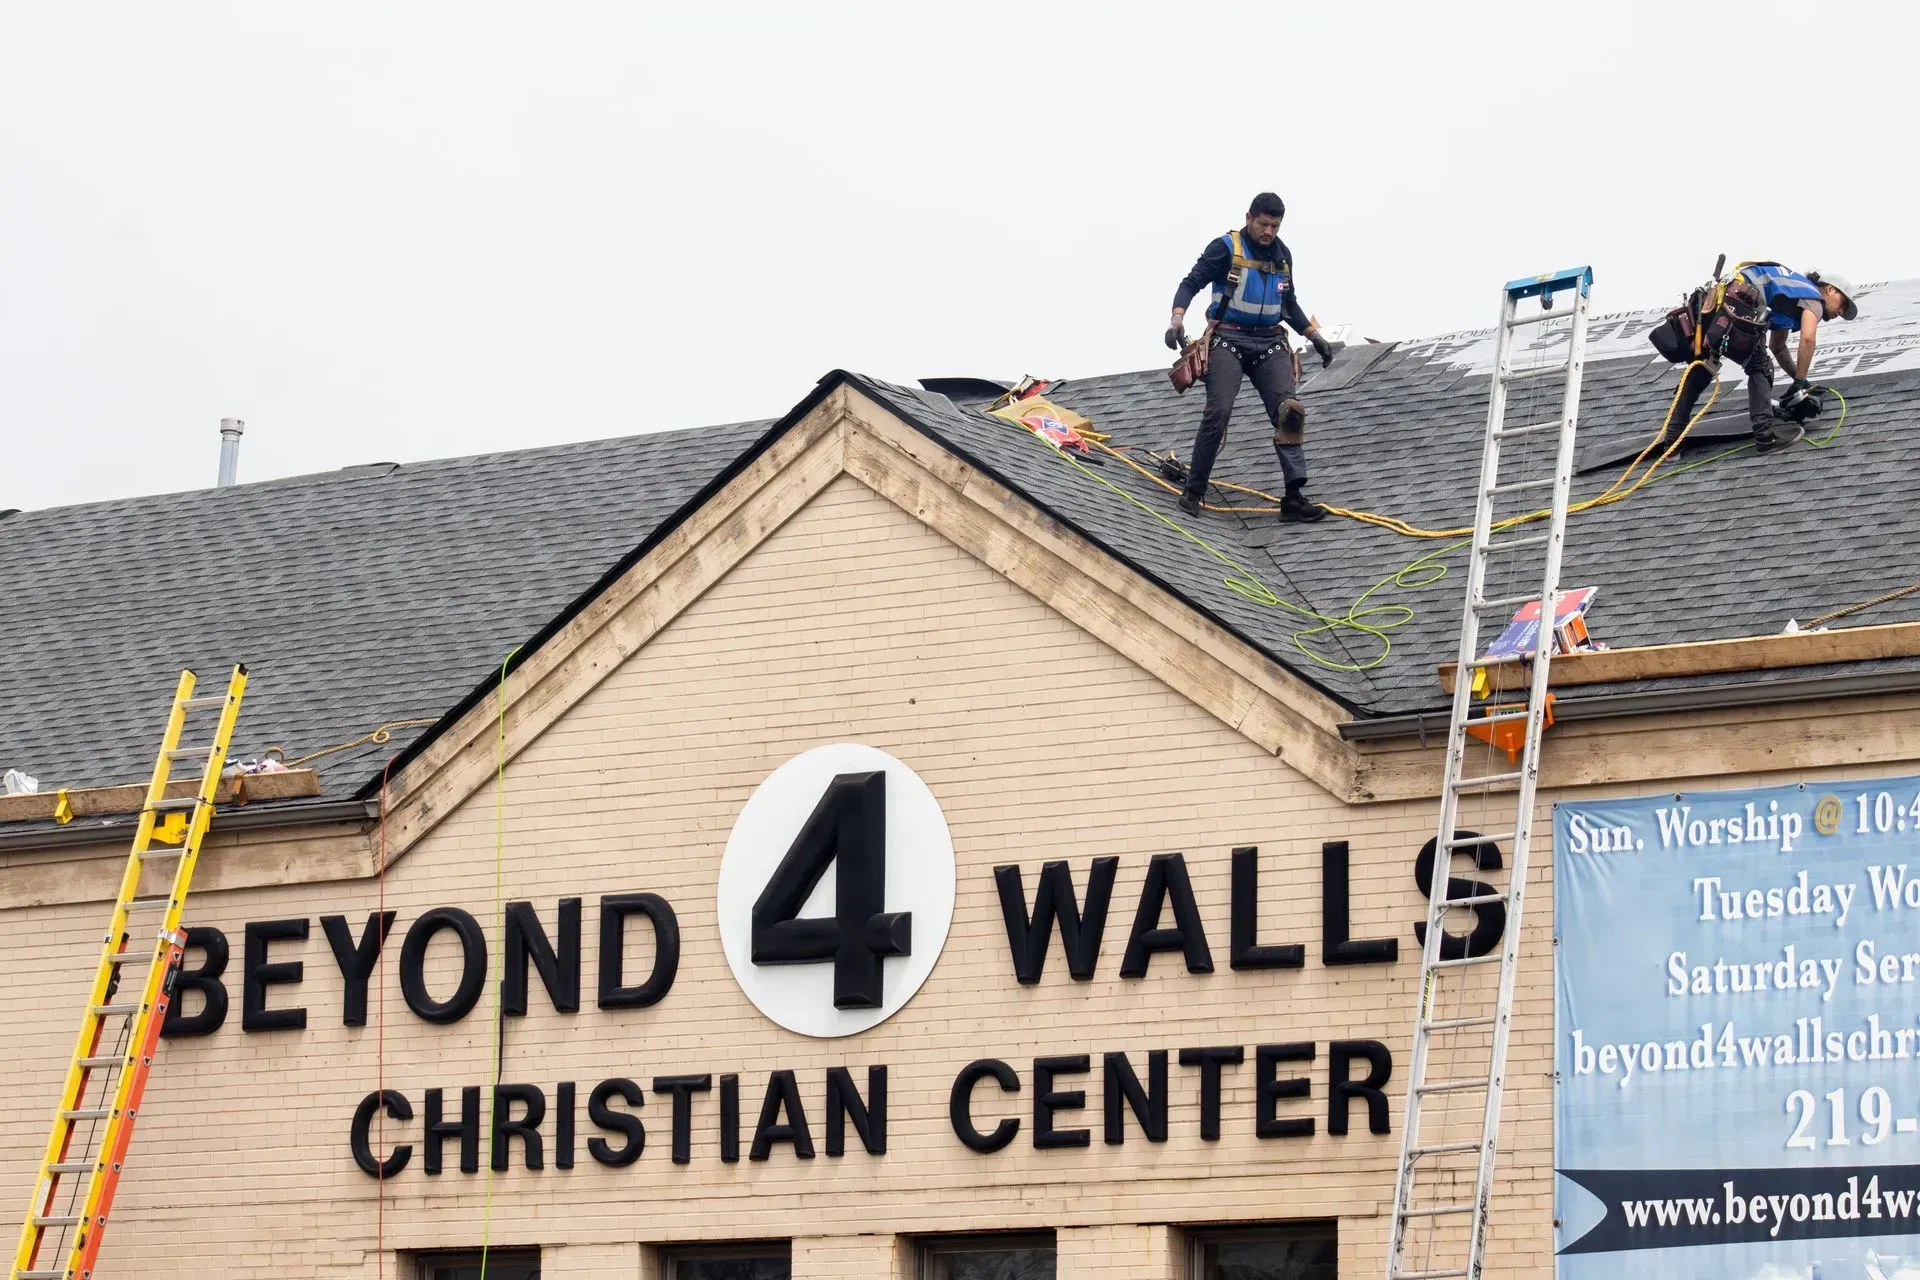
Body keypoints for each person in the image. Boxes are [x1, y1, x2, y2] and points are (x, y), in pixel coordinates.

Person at [1165, 192, 1335, 520]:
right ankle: (1194, 491)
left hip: (1269, 343)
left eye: (1275, 225)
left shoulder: (1283, 256)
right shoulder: (1226, 249)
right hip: (1228, 338)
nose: (1269, 231)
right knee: (1219, 411)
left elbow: (1288, 305)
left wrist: (1314, 336)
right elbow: (1190, 284)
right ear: (1248, 218)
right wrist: (1176, 319)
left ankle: (1293, 499)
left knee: (1290, 412)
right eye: (1263, 224)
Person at [1665, 264, 1858, 453]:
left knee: (1702, 370)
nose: (1840, 313)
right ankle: (1765, 436)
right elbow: (1808, 339)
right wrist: (1799, 381)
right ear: (1830, 290)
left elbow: (1778, 347)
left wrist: (1800, 381)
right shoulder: (1813, 298)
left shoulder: (1791, 292)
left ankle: (1672, 441)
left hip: (1716, 305)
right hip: (1738, 304)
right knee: (1761, 367)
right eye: (1843, 304)